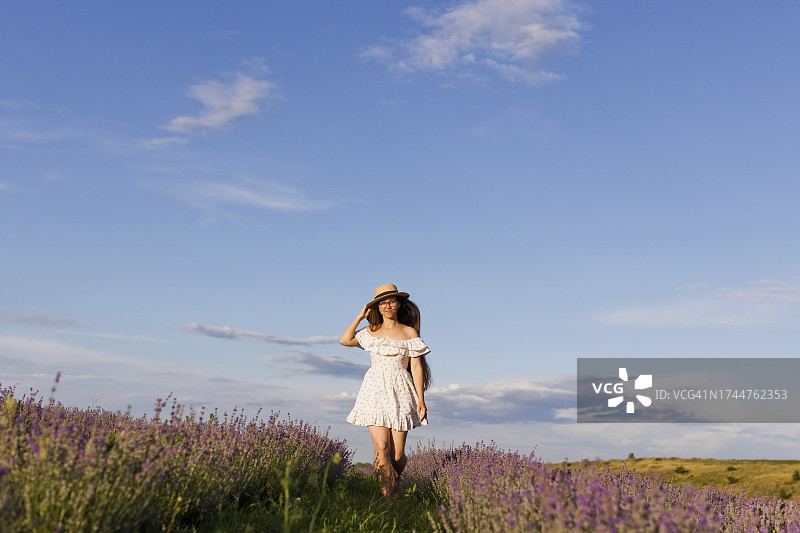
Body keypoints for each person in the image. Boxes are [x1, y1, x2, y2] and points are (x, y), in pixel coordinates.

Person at [340, 284, 432, 499]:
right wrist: (359, 317)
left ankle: (394, 483)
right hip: (374, 389)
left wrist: (421, 399)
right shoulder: (370, 331)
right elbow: (345, 340)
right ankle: (388, 501)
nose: (387, 306)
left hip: (401, 389)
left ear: (399, 304)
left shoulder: (409, 332)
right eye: (382, 303)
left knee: (397, 455)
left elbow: (416, 367)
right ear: (377, 307)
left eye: (391, 302)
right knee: (382, 448)